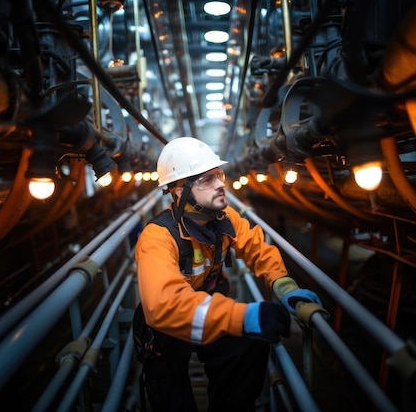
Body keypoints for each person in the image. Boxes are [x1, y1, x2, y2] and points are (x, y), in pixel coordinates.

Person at [134, 137, 322, 412]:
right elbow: (164, 305)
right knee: (171, 398)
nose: (221, 184)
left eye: (218, 175)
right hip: (167, 328)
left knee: (249, 347)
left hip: (209, 309)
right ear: (179, 192)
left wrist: (284, 285)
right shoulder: (157, 238)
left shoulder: (224, 218)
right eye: (206, 180)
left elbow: (258, 248)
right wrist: (244, 316)